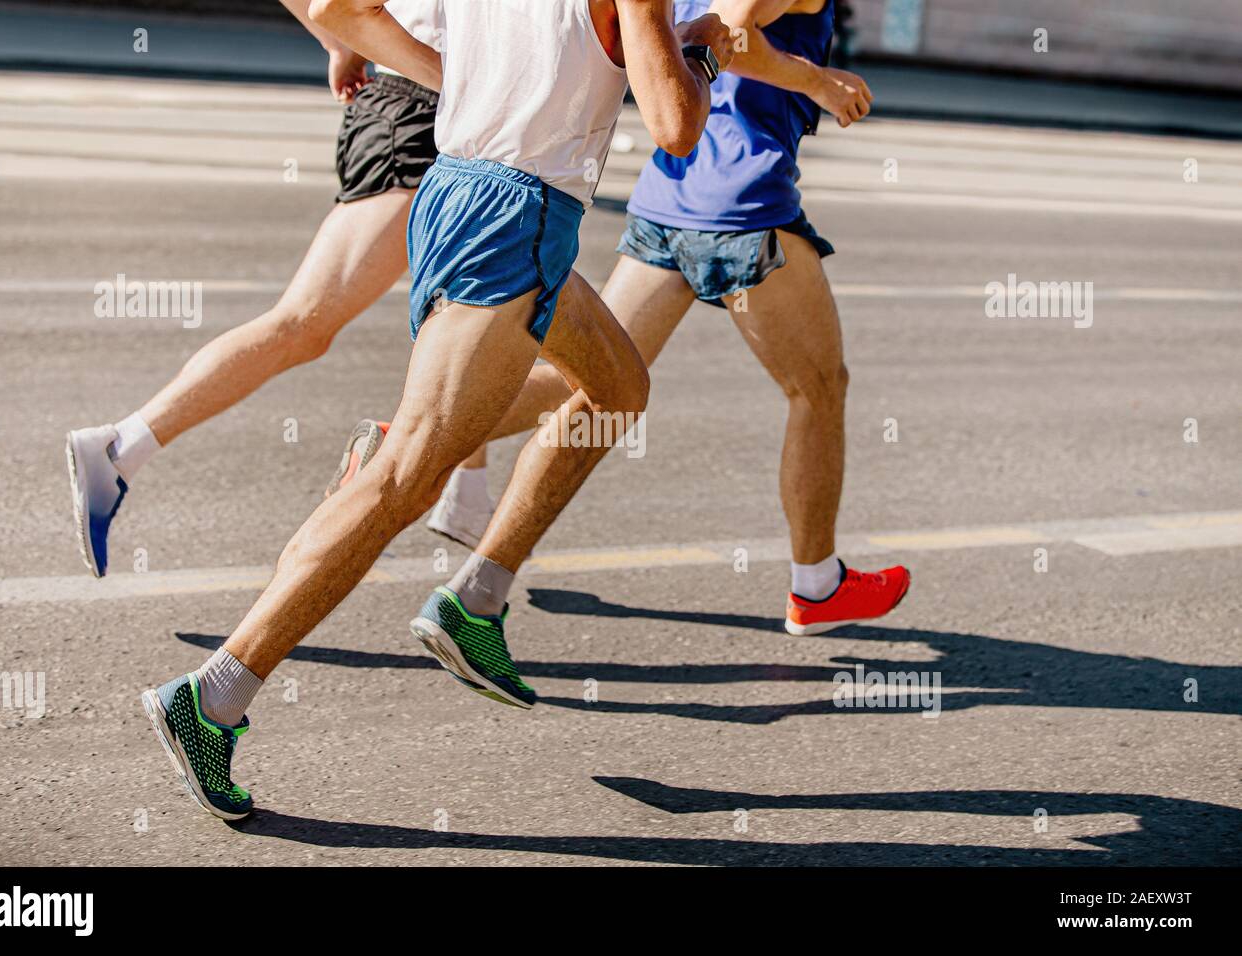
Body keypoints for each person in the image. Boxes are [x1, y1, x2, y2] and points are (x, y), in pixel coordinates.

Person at [140, 0, 735, 820]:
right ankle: (211, 696)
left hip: (457, 189)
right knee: (400, 485)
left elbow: (339, 8)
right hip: (518, 215)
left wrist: (474, 83)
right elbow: (673, 123)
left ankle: (475, 597)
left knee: (617, 388)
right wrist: (701, 54)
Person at [350, 0, 909, 640]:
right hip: (743, 204)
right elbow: (732, 25)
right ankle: (817, 584)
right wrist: (818, 80)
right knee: (818, 387)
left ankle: (451, 537)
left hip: (669, 195)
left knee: (592, 387)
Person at [63, 0, 453, 577]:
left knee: (472, 314)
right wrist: (346, 38)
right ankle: (120, 448)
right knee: (304, 323)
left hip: (415, 111)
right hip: (422, 115)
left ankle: (459, 509)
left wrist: (340, 42)